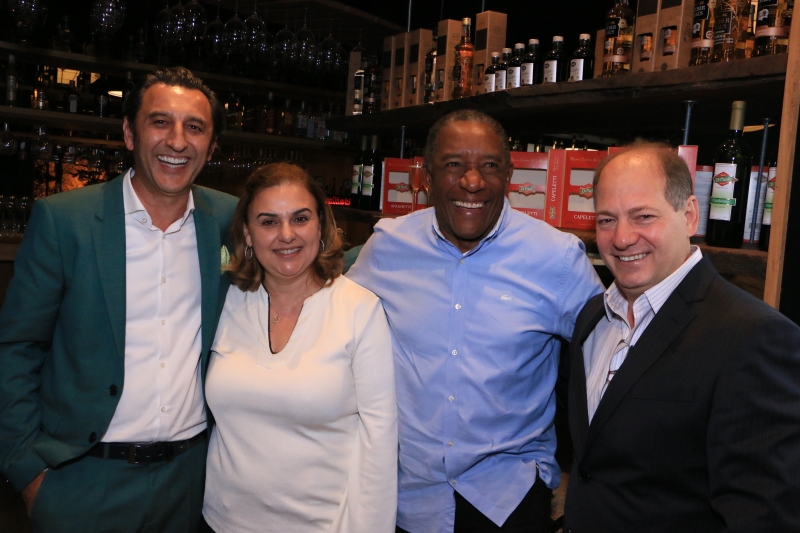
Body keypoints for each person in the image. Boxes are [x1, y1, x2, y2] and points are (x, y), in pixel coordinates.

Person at [0, 67, 237, 532]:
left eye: (195, 127)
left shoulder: (230, 220)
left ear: (210, 146)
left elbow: (303, 255)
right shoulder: (65, 220)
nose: (177, 140)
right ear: (129, 133)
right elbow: (17, 349)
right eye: (160, 122)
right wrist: (27, 470)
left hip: (191, 481)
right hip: (81, 479)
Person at [347, 110, 604, 533]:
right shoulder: (387, 247)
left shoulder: (557, 259)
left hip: (508, 498)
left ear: (509, 173)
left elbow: (612, 358)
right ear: (426, 176)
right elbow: (337, 333)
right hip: (403, 499)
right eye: (453, 165)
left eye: (489, 165)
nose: (472, 181)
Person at [564, 142, 800, 532]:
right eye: (606, 220)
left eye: (643, 216)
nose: (622, 238)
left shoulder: (754, 336)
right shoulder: (595, 317)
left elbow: (763, 515)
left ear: (689, 215)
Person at [201, 163, 397, 533]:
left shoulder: (359, 310)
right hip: (219, 522)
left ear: (321, 225)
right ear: (247, 233)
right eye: (269, 221)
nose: (286, 235)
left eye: (300, 218)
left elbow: (379, 443)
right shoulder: (228, 302)